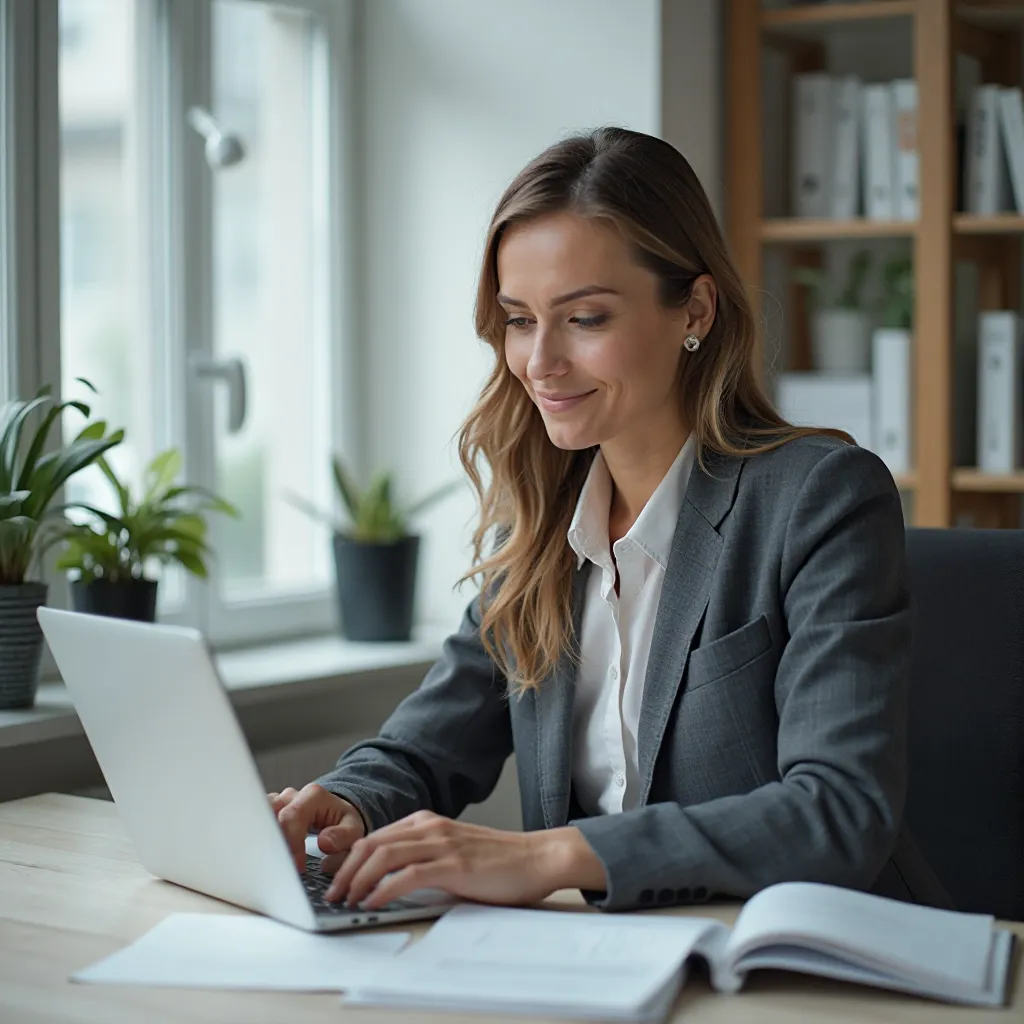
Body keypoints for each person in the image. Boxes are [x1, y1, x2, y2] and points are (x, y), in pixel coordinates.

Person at [269, 127, 949, 914]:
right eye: (519, 320)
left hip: (809, 952)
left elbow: (838, 811)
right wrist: (346, 800)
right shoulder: (541, 528)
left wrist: (550, 855)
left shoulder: (819, 499)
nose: (540, 363)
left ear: (695, 309)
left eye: (585, 318)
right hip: (613, 956)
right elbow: (430, 743)